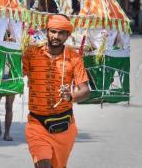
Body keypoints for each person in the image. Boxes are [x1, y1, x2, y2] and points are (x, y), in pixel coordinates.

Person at [22, 14, 91, 168]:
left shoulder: (74, 58)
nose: (56, 36)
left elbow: (85, 91)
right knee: (43, 164)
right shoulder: (31, 54)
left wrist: (70, 96)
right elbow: (14, 73)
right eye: (53, 31)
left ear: (67, 35)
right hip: (36, 124)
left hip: (64, 126)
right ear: (47, 31)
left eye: (61, 33)